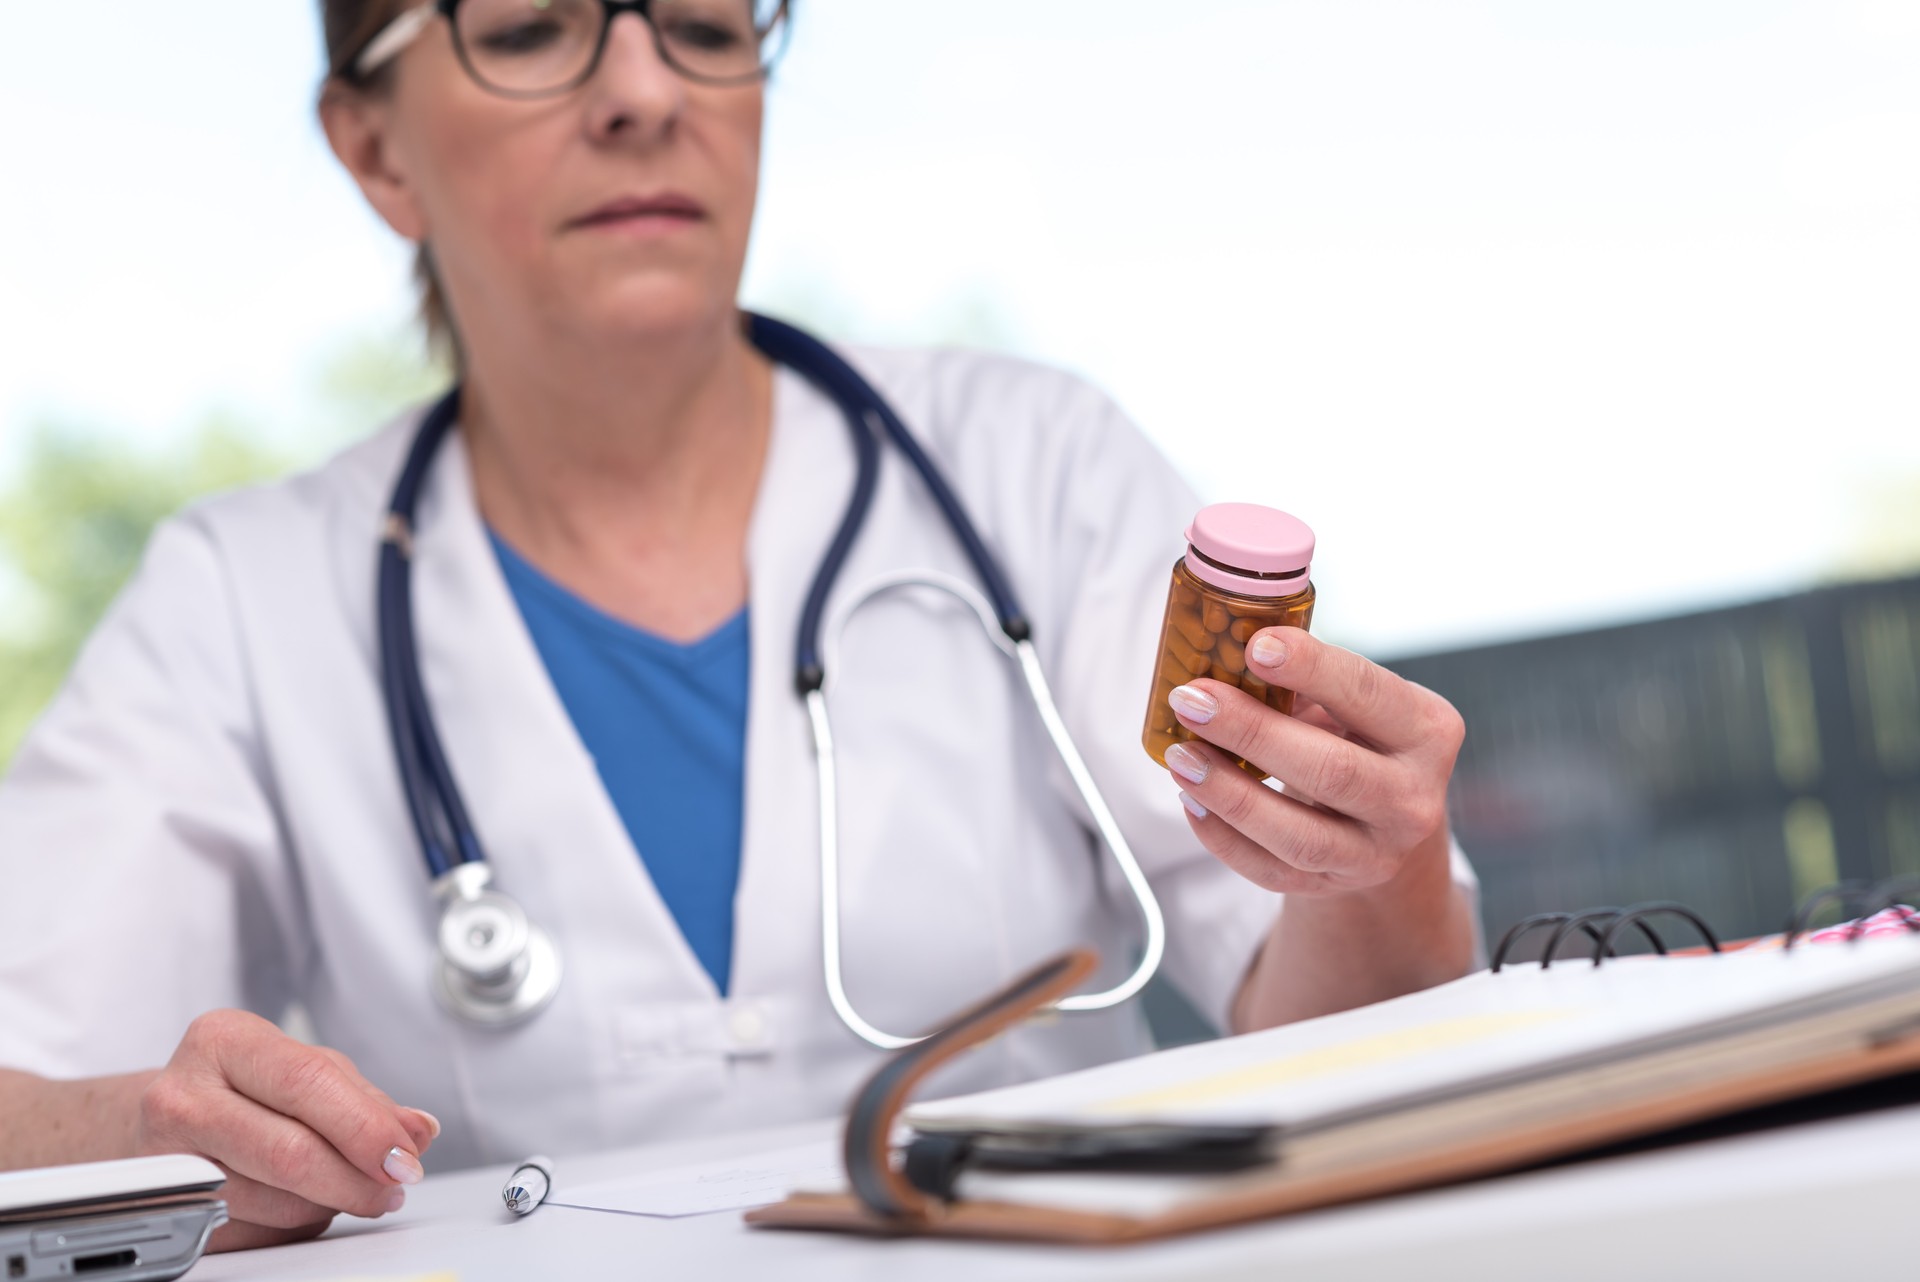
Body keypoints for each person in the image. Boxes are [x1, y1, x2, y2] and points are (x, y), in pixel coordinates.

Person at [0, 0, 1479, 1254]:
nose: (647, 92)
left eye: (708, 26)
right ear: (375, 147)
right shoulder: (242, 601)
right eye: (530, 28)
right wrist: (149, 1130)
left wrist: (1377, 868)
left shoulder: (1036, 469)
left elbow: (1346, 1045)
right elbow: (22, 1095)